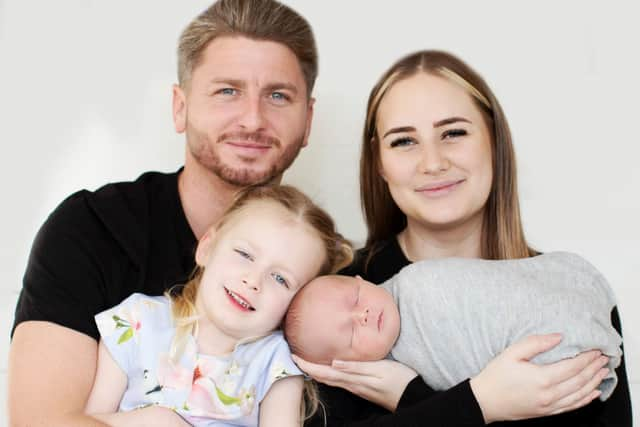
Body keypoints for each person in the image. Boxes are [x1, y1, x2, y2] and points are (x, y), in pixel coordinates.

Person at [8, 1, 320, 426]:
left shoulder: (320, 272)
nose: (252, 119)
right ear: (180, 107)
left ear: (308, 121)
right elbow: (41, 422)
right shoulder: (90, 231)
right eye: (227, 90)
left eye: (278, 96)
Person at [294, 50, 632, 426]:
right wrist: (475, 403)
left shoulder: (563, 292)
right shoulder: (333, 310)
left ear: (494, 139)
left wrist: (410, 397)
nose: (433, 162)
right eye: (404, 141)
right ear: (379, 162)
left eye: (454, 133)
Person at [83, 184, 353, 426]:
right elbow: (85, 422)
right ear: (207, 248)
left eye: (281, 278)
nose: (253, 281)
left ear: (298, 306)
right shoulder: (136, 322)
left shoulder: (274, 362)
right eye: (245, 254)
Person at [285, 252, 623, 401]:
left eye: (355, 298)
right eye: (351, 334)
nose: (362, 316)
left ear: (360, 279)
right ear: (344, 367)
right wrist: (409, 396)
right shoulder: (382, 377)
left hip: (561, 296)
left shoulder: (415, 281)